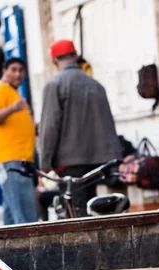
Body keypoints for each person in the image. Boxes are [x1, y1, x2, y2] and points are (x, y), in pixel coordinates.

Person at [38, 39, 120, 217]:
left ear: (54, 60)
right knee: (92, 208)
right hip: (97, 162)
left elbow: (50, 126)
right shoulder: (96, 85)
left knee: (75, 211)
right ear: (75, 57)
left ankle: (83, 245)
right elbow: (108, 124)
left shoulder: (54, 84)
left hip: (69, 163)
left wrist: (44, 163)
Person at [0, 57, 38, 225]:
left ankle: (5, 248)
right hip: (10, 160)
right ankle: (27, 249)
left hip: (18, 159)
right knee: (23, 209)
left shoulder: (13, 92)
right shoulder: (0, 89)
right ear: (4, 71)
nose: (18, 74)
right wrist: (13, 108)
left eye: (21, 70)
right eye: (13, 70)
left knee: (12, 207)